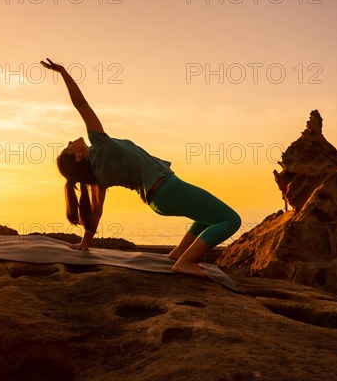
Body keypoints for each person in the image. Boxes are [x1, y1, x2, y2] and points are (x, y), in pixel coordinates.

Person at [41, 58, 241, 279]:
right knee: (231, 220)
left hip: (159, 199)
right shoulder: (99, 144)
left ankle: (178, 255)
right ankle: (186, 262)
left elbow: (96, 212)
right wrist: (64, 73)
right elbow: (81, 104)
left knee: (206, 216)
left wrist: (85, 243)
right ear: (79, 157)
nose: (71, 142)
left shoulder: (97, 178)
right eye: (69, 148)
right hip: (167, 188)